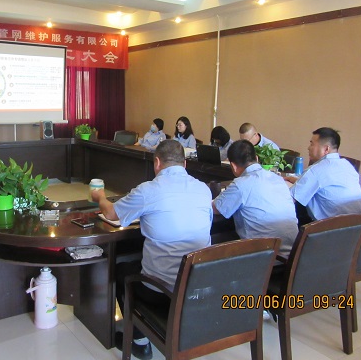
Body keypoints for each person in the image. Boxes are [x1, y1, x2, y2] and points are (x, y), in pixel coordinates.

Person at [92, 140, 212, 360]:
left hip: (162, 293)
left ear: (157, 162)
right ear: (184, 163)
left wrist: (100, 197)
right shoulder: (203, 189)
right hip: (199, 288)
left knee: (120, 271)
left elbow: (111, 214)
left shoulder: (148, 190)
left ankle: (140, 342)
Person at [212, 140, 298, 257]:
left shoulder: (240, 185)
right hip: (292, 255)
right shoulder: (277, 179)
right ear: (256, 158)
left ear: (233, 166)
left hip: (265, 259)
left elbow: (216, 209)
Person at [285, 127, 361, 222]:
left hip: (328, 228)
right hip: (358, 225)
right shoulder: (347, 165)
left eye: (312, 144)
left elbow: (288, 200)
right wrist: (298, 181)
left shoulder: (316, 170)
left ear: (326, 149)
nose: (308, 148)